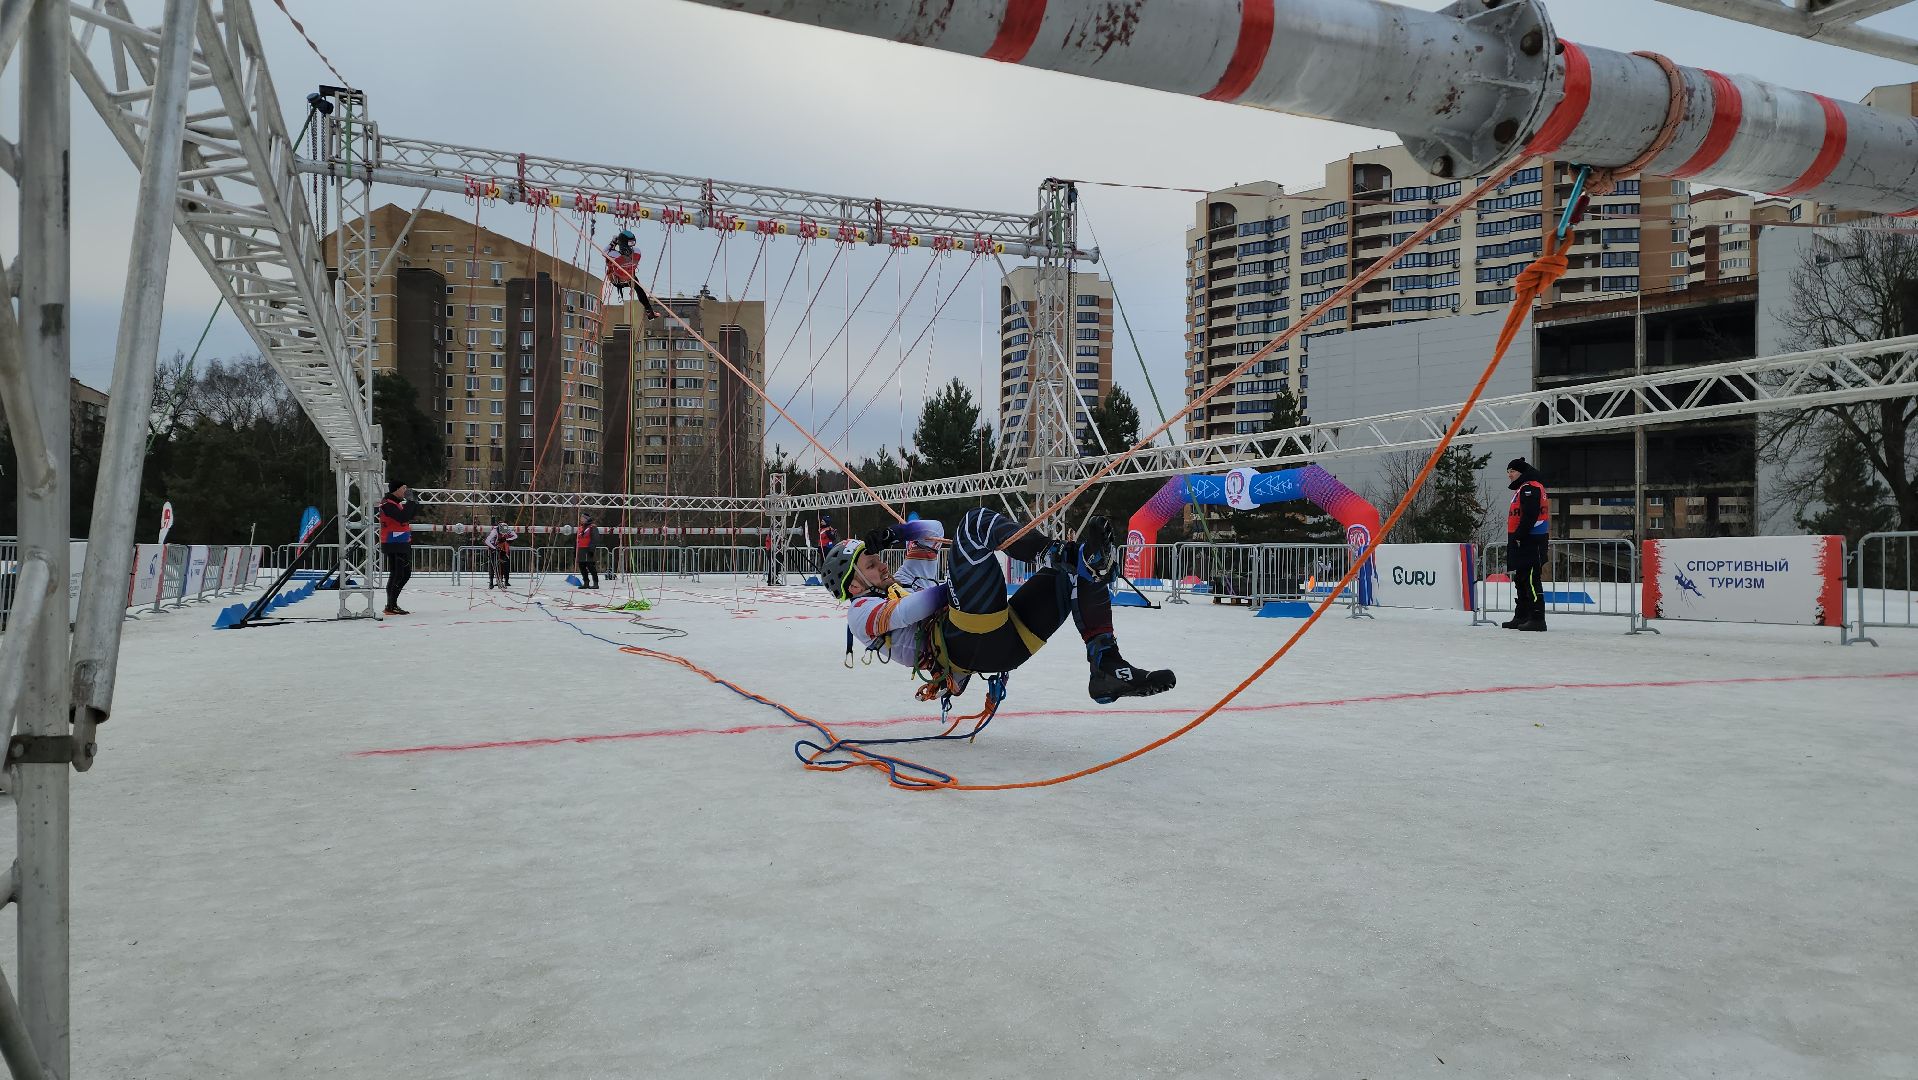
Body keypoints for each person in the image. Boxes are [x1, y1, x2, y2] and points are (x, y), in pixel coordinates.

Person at [825, 508, 1175, 704]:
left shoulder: (902, 576)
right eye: (872, 566)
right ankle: (1053, 552)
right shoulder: (860, 615)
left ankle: (1105, 664)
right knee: (973, 526)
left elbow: (931, 528)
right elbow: (908, 612)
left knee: (1076, 570)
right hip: (962, 643)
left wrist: (893, 534)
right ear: (854, 585)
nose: (883, 565)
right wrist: (955, 585)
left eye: (878, 559)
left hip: (1004, 642)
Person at [1504, 457, 1551, 632]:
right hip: (1524, 540)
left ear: (1522, 472)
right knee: (1521, 579)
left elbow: (1530, 515)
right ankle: (1522, 615)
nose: (1509, 475)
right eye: (1508, 472)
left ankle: (1537, 618)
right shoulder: (1525, 488)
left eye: (1512, 471)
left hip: (1531, 541)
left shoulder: (1531, 488)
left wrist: (1519, 535)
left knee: (1531, 579)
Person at [379, 480, 418, 616]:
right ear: (396, 490)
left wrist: (414, 502)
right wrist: (411, 502)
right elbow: (402, 518)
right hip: (393, 543)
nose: (405, 491)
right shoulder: (387, 504)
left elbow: (409, 516)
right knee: (399, 574)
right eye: (403, 489)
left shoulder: (396, 504)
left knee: (403, 573)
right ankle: (391, 605)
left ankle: (392, 604)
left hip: (400, 542)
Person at [604, 228, 656, 318]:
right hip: (629, 280)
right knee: (639, 290)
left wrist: (613, 242)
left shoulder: (615, 255)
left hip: (618, 281)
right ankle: (649, 311)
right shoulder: (637, 252)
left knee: (609, 261)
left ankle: (649, 311)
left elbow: (605, 252)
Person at [484, 518, 517, 589]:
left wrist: (508, 539)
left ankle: (504, 580)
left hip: (502, 548)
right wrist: (494, 547)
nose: (503, 534)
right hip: (493, 547)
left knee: (505, 563)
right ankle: (491, 582)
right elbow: (487, 541)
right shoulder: (494, 531)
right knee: (493, 564)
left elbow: (515, 536)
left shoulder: (508, 529)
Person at [575, 512, 601, 590]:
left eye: (582, 518)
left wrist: (591, 549)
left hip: (588, 549)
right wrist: (575, 550)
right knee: (582, 567)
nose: (581, 519)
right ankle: (586, 582)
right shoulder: (580, 528)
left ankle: (595, 583)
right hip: (581, 549)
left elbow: (595, 538)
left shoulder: (592, 527)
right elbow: (577, 540)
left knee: (591, 567)